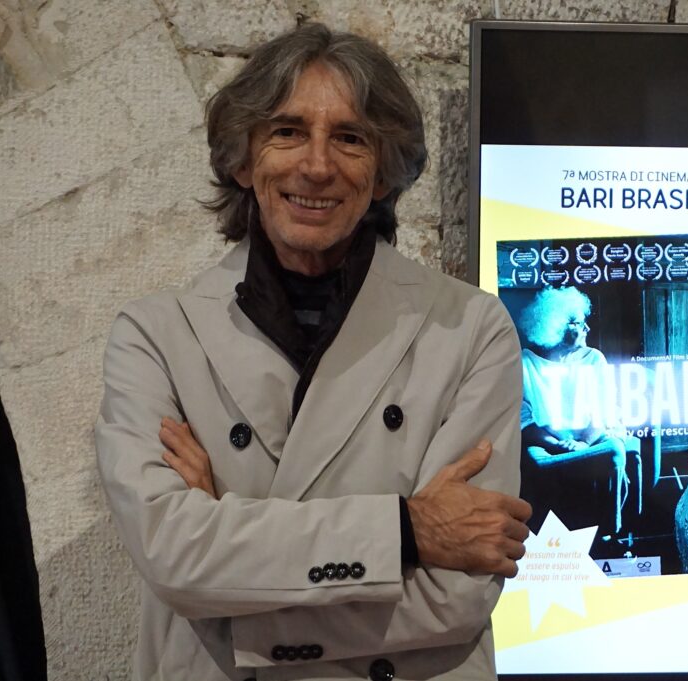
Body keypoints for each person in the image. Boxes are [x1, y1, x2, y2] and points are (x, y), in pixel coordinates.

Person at [95, 23, 531, 681]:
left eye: (351, 138)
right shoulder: (154, 336)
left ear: (382, 173)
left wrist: (227, 577)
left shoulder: (472, 329)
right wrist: (407, 531)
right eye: (288, 131)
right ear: (243, 160)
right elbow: (171, 554)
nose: (318, 165)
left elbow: (456, 594)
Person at [513, 286, 638, 535]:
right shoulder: (525, 363)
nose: (587, 328)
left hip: (593, 439)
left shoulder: (594, 359)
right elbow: (524, 422)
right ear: (556, 327)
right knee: (535, 461)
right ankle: (550, 536)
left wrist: (582, 444)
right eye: (580, 323)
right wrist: (559, 445)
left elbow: (603, 411)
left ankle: (609, 534)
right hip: (548, 444)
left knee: (614, 449)